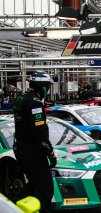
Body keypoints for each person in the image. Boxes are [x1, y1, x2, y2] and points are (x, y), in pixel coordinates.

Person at [13, 71, 56, 213]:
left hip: (21, 147)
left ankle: (12, 208)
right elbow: (39, 131)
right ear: (42, 87)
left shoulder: (21, 98)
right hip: (32, 150)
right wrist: (49, 152)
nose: (48, 90)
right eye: (48, 87)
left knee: (34, 184)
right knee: (45, 187)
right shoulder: (35, 103)